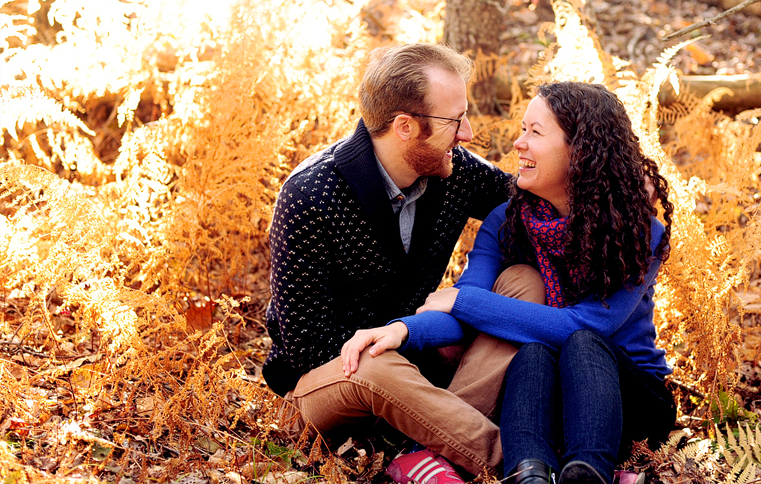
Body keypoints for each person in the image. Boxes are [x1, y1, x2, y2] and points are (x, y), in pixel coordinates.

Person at [263, 43, 548, 481]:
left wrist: (616, 196)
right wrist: (403, 340)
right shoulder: (311, 197)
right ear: (405, 127)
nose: (468, 133)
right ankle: (524, 464)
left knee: (523, 281)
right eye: (454, 121)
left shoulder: (455, 172)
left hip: (414, 362)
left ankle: (424, 450)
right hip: (327, 386)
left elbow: (531, 205)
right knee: (374, 359)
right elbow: (305, 348)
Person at [400, 81, 676, 484]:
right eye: (522, 129)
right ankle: (528, 472)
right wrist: (401, 330)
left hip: (628, 401)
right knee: (531, 351)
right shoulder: (507, 221)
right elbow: (462, 310)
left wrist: (460, 301)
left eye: (535, 132)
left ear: (579, 150)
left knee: (580, 341)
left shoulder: (638, 233)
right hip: (546, 398)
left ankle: (589, 474)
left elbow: (587, 325)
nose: (518, 143)